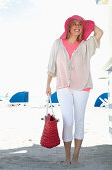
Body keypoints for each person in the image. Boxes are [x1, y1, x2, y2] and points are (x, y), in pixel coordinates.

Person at [46, 15, 103, 164]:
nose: (77, 26)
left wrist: (88, 22)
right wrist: (48, 84)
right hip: (63, 87)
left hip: (82, 87)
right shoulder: (58, 44)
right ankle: (67, 157)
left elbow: (99, 33)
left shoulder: (86, 45)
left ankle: (75, 157)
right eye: (74, 24)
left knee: (79, 121)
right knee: (68, 121)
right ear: (68, 27)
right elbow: (51, 65)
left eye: (80, 25)